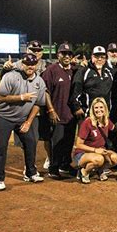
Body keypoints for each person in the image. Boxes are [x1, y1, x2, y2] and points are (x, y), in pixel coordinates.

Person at [0, 53, 47, 191]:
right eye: (27, 63)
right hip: (3, 116)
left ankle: (31, 173)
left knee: (31, 141)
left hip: (21, 118)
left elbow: (38, 104)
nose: (30, 66)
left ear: (37, 65)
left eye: (33, 64)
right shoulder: (10, 76)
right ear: (22, 64)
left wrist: (28, 122)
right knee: (1, 146)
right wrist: (21, 97)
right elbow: (0, 98)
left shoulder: (39, 81)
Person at [40, 43, 77, 179]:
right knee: (56, 143)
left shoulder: (74, 70)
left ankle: (65, 165)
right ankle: (53, 168)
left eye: (69, 54)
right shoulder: (52, 70)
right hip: (57, 113)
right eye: (63, 54)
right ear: (58, 55)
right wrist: (50, 110)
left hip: (71, 115)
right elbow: (45, 91)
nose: (66, 56)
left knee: (68, 142)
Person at [73, 97, 117, 184]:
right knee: (99, 159)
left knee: (115, 158)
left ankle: (99, 171)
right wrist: (95, 150)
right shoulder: (87, 122)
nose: (99, 110)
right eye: (96, 108)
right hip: (82, 154)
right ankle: (84, 171)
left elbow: (115, 128)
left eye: (101, 107)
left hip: (100, 151)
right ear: (92, 109)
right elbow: (78, 144)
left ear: (105, 108)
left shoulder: (106, 121)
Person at [69, 46, 114, 119]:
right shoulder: (84, 71)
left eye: (102, 57)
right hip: (88, 115)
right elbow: (75, 89)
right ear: (92, 57)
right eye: (96, 56)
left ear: (106, 59)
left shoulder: (109, 72)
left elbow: (115, 53)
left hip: (105, 115)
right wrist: (76, 107)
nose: (99, 59)